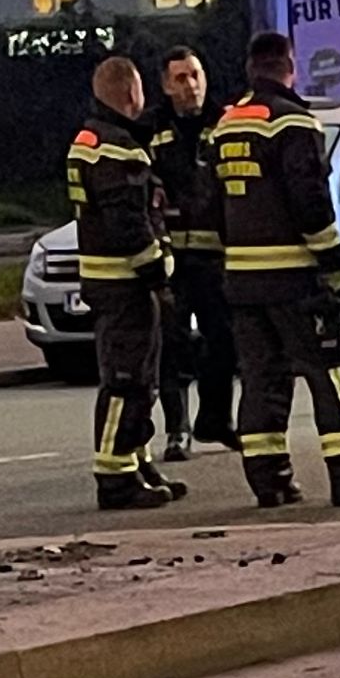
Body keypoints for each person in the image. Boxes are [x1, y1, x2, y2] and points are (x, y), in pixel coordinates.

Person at [209, 30, 340, 509]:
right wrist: (336, 269)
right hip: (295, 278)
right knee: (334, 372)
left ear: (250, 69)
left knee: (262, 379)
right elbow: (312, 204)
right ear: (289, 66)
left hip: (243, 281)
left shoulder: (226, 126)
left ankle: (270, 481)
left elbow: (211, 206)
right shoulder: (293, 123)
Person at [67, 54, 181, 513]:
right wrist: (158, 271)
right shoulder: (120, 150)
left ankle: (137, 462)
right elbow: (129, 222)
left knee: (137, 379)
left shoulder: (88, 141)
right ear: (132, 94)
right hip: (126, 284)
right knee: (127, 381)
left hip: (104, 280)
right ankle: (116, 478)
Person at [143, 45, 237, 457]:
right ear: (165, 85)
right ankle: (176, 430)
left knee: (225, 341)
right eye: (181, 78)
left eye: (196, 75)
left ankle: (216, 420)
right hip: (167, 260)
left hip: (214, 256)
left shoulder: (224, 123)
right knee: (172, 344)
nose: (191, 85)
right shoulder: (150, 129)